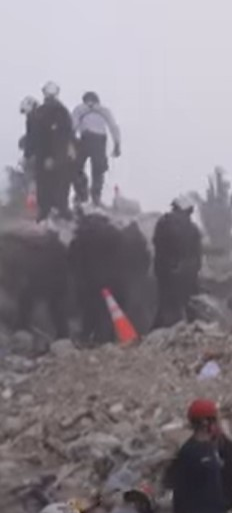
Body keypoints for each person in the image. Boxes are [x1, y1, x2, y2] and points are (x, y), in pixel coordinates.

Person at [68, 209, 128, 344]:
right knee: (108, 313)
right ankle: (108, 341)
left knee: (90, 312)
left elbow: (72, 260)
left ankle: (88, 339)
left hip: (90, 282)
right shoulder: (115, 234)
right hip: (113, 281)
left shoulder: (81, 235)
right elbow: (123, 257)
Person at [25, 82, 75, 221]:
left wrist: (55, 155)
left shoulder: (59, 111)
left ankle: (58, 210)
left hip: (55, 153)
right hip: (48, 153)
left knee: (57, 182)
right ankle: (49, 211)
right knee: (48, 183)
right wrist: (29, 154)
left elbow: (65, 134)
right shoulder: (41, 113)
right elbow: (32, 135)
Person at [11, 224, 70, 339]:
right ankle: (62, 335)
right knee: (55, 310)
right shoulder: (58, 246)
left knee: (30, 302)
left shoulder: (42, 247)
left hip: (48, 282)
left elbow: (27, 264)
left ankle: (22, 326)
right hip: (52, 282)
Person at [153, 196, 203, 329]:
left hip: (165, 273)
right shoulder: (192, 228)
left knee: (167, 306)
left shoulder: (163, 223)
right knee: (189, 306)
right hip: (187, 274)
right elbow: (197, 255)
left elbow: (156, 244)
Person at [70, 91, 121, 207]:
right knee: (98, 169)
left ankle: (81, 194)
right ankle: (96, 197)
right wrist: (117, 145)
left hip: (85, 138)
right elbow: (113, 127)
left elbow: (72, 126)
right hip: (99, 139)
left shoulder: (80, 109)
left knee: (76, 167)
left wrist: (70, 144)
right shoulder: (103, 110)